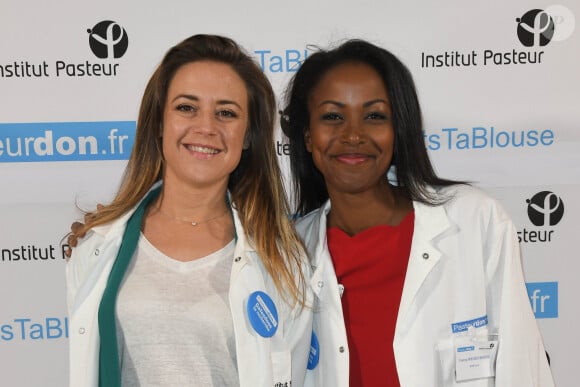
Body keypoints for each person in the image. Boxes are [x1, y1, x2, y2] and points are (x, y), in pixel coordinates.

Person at [280, 39, 555, 386]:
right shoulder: (288, 253)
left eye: (374, 116)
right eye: (332, 116)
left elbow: (523, 367)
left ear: (399, 130)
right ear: (307, 136)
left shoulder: (474, 221)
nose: (352, 135)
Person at [66, 34, 313, 387]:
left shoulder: (283, 259)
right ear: (159, 122)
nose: (206, 127)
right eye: (186, 107)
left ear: (247, 136)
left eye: (226, 113)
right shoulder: (96, 245)